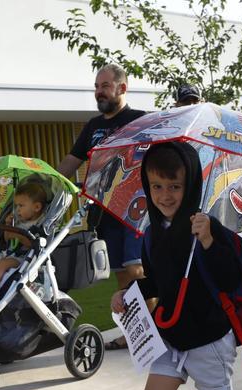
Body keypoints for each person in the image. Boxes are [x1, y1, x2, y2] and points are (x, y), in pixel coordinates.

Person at [111, 142, 242, 390]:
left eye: (175, 186)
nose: (165, 195)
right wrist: (129, 292)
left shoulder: (206, 225)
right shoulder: (153, 231)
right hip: (169, 335)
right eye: (156, 186)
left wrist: (210, 240)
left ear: (191, 186)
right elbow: (155, 281)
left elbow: (230, 278)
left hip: (209, 338)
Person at [58, 63, 147, 351]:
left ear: (122, 88)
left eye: (105, 86)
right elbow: (72, 162)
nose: (99, 92)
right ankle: (134, 334)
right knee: (121, 274)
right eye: (96, 86)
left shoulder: (141, 121)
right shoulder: (93, 127)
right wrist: (50, 186)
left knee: (136, 270)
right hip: (104, 212)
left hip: (135, 211)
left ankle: (156, 330)